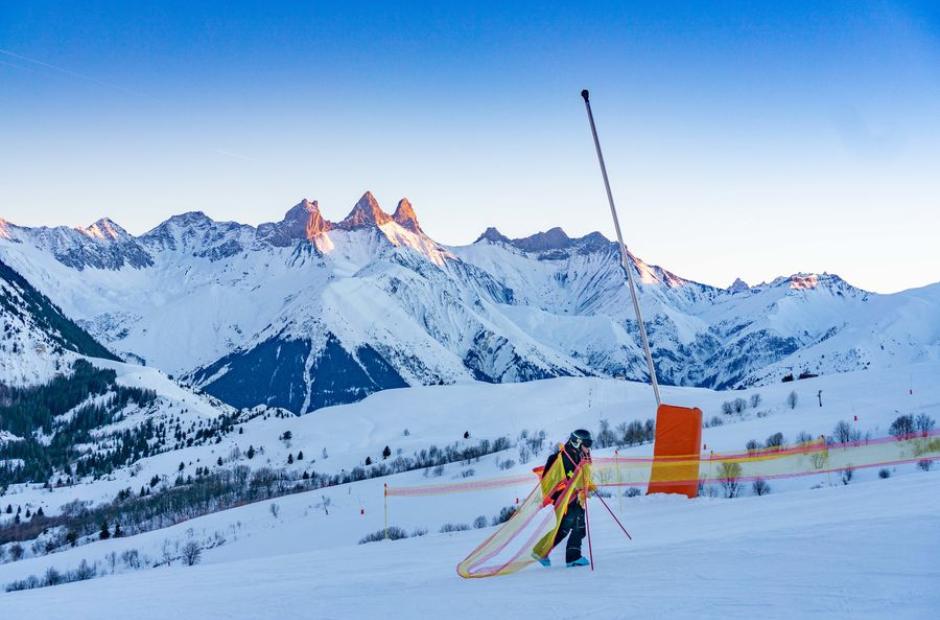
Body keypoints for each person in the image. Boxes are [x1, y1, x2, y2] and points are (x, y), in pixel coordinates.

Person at [531, 429, 594, 568]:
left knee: (564, 528)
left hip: (574, 499)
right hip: (565, 500)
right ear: (577, 442)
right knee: (578, 526)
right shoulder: (562, 459)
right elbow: (552, 482)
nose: (589, 448)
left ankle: (541, 551)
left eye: (590, 444)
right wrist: (570, 491)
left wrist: (587, 487)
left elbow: (581, 477)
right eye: (587, 444)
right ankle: (573, 558)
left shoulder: (579, 456)